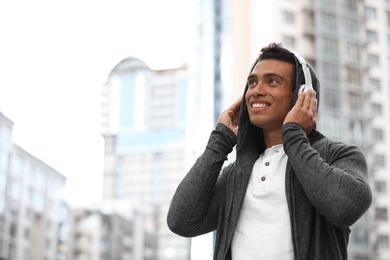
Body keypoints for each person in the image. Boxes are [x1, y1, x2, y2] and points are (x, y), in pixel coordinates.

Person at [167, 43, 372, 260]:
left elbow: (346, 207)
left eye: (272, 81)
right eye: (252, 83)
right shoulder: (236, 175)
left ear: (302, 94)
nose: (256, 91)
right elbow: (181, 221)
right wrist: (220, 141)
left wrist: (293, 135)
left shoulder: (338, 155)